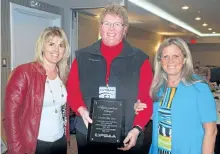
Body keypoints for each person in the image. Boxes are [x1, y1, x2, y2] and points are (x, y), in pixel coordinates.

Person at [67, 3, 153, 154]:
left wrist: (137, 128)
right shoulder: (82, 57)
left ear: (125, 29)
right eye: (107, 23)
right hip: (88, 133)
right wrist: (81, 110)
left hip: (127, 134)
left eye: (117, 24)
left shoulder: (140, 59)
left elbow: (146, 99)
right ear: (100, 27)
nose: (111, 28)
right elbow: (72, 90)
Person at [134, 37, 217, 154]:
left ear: (184, 59)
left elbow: (211, 131)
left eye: (176, 56)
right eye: (165, 56)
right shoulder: (158, 87)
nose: (170, 61)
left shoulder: (199, 87)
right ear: (160, 61)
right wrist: (141, 108)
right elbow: (162, 116)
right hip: (159, 150)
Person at [3, 27, 70, 154]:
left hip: (60, 140)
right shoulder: (24, 72)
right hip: (35, 143)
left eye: (61, 45)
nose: (56, 49)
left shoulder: (63, 74)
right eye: (51, 44)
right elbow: (10, 116)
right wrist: (16, 150)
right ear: (42, 47)